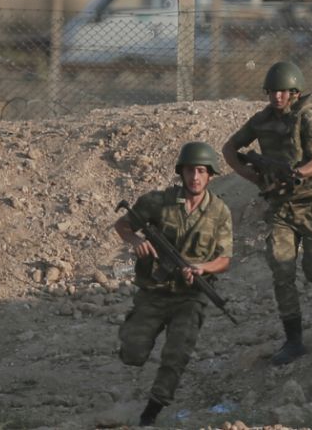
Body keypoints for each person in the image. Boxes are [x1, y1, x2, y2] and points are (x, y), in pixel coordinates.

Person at [222, 61, 312, 366]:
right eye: (273, 91)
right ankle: (294, 340)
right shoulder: (260, 121)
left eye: (283, 91)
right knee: (280, 265)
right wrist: (253, 176)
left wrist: (297, 175)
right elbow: (230, 149)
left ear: (295, 92)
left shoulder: (309, 117)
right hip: (281, 207)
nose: (278, 96)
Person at [114, 141, 233, 426]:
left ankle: (150, 413)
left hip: (190, 296)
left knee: (176, 354)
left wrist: (202, 268)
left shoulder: (219, 212)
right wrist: (137, 242)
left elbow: (225, 258)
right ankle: (133, 333)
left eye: (201, 171)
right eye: (190, 170)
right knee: (132, 353)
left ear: (210, 175)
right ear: (181, 172)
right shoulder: (158, 202)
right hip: (154, 292)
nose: (195, 177)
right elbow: (123, 225)